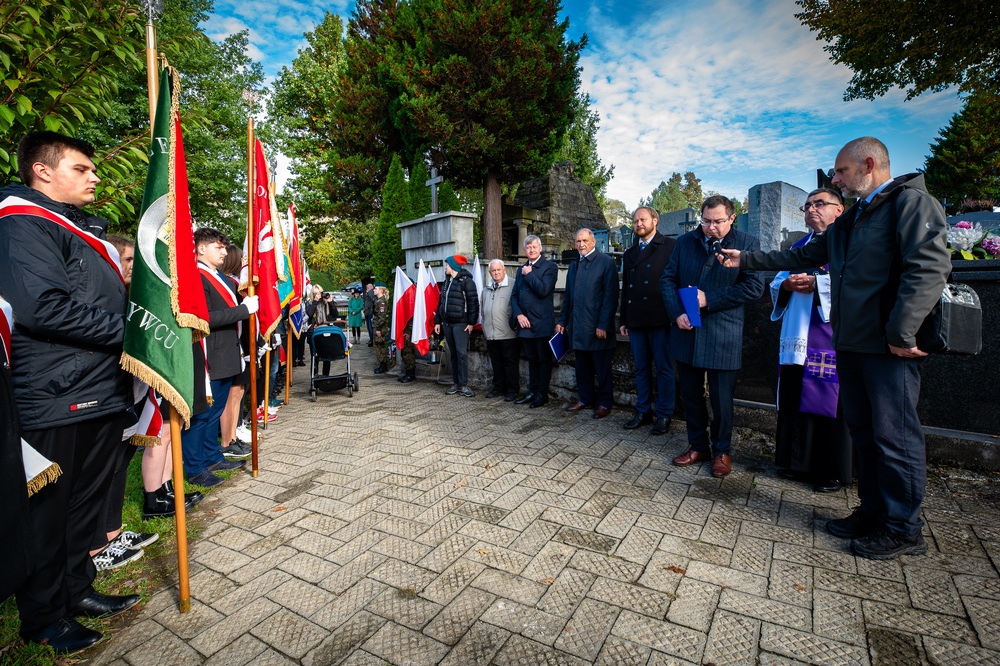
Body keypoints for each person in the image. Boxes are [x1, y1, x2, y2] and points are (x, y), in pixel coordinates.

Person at [720, 137, 950, 560]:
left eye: (841, 172)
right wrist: (745, 260)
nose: (836, 180)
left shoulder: (911, 203)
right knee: (865, 432)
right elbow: (804, 255)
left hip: (886, 347)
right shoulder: (854, 218)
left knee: (895, 437)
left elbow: (929, 267)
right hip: (852, 342)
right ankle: (874, 511)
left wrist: (902, 333)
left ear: (868, 164)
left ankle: (903, 528)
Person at [0, 131, 139, 653]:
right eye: (82, 168)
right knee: (48, 513)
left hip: (96, 386)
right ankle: (43, 615)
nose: (94, 177)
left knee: (85, 504)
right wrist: (134, 335)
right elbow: (44, 309)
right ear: (42, 170)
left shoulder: (79, 228)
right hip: (55, 392)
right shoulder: (22, 223)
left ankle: (77, 590)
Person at [661, 194, 764, 478]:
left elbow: (754, 288)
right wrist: (676, 312)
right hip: (687, 331)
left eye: (718, 221)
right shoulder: (684, 242)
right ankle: (697, 446)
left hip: (723, 333)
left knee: (721, 400)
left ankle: (721, 451)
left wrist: (710, 300)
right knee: (691, 395)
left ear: (731, 218)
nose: (711, 227)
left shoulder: (747, 244)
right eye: (706, 221)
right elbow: (668, 279)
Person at [768, 188, 853, 493]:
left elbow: (854, 281)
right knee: (795, 396)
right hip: (797, 338)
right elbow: (777, 280)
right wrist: (786, 283)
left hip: (829, 338)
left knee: (828, 402)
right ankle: (797, 463)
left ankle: (830, 470)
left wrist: (818, 284)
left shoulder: (848, 244)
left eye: (820, 204)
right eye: (807, 206)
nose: (811, 209)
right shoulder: (800, 245)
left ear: (839, 210)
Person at [88, 236, 157, 571]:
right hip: (107, 392)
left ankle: (112, 532)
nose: (131, 266)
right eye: (124, 259)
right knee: (100, 471)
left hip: (131, 392)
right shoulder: (101, 295)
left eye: (133, 259)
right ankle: (95, 545)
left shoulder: (131, 295)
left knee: (119, 465)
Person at [183, 228, 256, 487]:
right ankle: (194, 466)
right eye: (218, 247)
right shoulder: (196, 276)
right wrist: (242, 311)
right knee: (202, 415)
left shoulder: (220, 277)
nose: (225, 252)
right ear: (201, 248)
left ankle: (212, 456)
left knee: (214, 414)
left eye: (225, 247)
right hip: (209, 355)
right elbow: (204, 318)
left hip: (227, 353)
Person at [620, 207, 677, 435]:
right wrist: (624, 318)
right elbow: (626, 290)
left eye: (642, 220)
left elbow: (676, 282)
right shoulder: (630, 252)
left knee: (664, 369)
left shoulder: (671, 246)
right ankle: (643, 411)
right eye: (635, 221)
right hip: (636, 319)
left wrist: (676, 314)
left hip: (661, 317)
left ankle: (664, 414)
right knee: (641, 369)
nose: (638, 224)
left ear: (655, 220)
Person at [557, 229, 619, 419]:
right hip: (578, 327)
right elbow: (568, 297)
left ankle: (605, 403)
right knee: (582, 367)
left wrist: (603, 324)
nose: (581, 244)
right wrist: (562, 321)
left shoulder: (606, 263)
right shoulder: (574, 265)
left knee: (602, 369)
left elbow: (611, 297)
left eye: (585, 240)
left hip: (597, 328)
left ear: (594, 242)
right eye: (578, 241)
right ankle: (585, 399)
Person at [510, 235, 558, 408]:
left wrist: (529, 275)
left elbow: (543, 290)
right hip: (525, 323)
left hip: (542, 322)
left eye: (534, 247)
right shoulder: (520, 269)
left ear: (540, 248)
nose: (531, 250)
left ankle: (542, 394)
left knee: (543, 359)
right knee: (531, 358)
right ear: (525, 250)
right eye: (528, 247)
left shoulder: (550, 267)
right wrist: (518, 315)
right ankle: (532, 391)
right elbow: (514, 295)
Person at [218, 244, 252, 458]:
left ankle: (232, 435)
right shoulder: (230, 284)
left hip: (241, 345)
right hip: (234, 344)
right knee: (232, 395)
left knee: (238, 393)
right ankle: (227, 439)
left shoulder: (234, 283)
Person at [434, 255, 480, 397]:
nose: (445, 267)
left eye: (447, 265)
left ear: (453, 266)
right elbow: (440, 303)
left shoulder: (467, 282)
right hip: (447, 324)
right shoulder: (446, 282)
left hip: (461, 324)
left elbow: (473, 303)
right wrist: (437, 321)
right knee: (453, 354)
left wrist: (471, 322)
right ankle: (455, 383)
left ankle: (463, 385)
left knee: (461, 355)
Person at [481, 259, 519, 400]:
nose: (496, 273)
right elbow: (483, 311)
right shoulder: (486, 288)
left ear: (504, 270)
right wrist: (485, 327)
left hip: (508, 333)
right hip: (491, 334)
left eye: (498, 270)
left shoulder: (513, 285)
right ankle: (498, 388)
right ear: (490, 272)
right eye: (493, 270)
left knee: (510, 364)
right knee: (496, 364)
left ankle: (512, 390)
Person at [371, 282, 391, 373]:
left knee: (379, 346)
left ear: (381, 290)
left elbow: (382, 317)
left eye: (376, 289)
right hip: (377, 325)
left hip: (380, 327)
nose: (374, 290)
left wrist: (378, 329)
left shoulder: (382, 302)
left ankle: (383, 365)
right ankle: (382, 365)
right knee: (378, 346)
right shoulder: (378, 300)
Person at [364, 281, 376, 347]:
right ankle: (371, 340)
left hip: (369, 312)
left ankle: (372, 341)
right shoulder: (369, 293)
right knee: (369, 327)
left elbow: (372, 300)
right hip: (368, 312)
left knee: (370, 327)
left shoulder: (370, 292)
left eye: (367, 288)